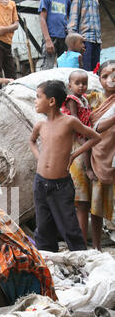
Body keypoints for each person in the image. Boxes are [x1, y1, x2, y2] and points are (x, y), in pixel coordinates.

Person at [29, 80, 102, 252]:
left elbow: (95, 138)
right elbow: (31, 141)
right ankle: (50, 262)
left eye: (38, 97)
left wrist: (74, 154)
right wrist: (39, 157)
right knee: (44, 228)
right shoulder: (41, 125)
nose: (35, 101)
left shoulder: (69, 122)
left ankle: (81, 263)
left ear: (52, 101)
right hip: (40, 184)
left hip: (60, 186)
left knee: (69, 227)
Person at [61, 70, 97, 244]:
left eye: (84, 83)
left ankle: (80, 240)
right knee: (81, 202)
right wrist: (84, 132)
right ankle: (80, 242)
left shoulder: (84, 99)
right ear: (70, 86)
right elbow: (74, 119)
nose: (81, 86)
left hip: (85, 136)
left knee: (84, 203)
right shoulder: (72, 99)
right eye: (78, 83)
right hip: (79, 137)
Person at [84, 60, 115, 250]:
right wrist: (87, 166)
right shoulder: (92, 100)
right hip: (98, 156)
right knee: (96, 205)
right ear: (99, 80)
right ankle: (96, 247)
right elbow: (87, 130)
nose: (111, 79)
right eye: (105, 76)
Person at [67, 0, 101, 72]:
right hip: (85, 42)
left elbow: (97, 22)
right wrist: (73, 42)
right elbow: (73, 21)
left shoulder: (95, 0)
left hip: (96, 41)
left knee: (95, 71)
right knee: (86, 70)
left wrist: (99, 39)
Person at [39, 0, 71, 70]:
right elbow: (42, 18)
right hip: (51, 37)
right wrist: (48, 40)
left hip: (64, 39)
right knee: (47, 68)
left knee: (64, 68)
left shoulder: (66, 0)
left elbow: (68, 19)